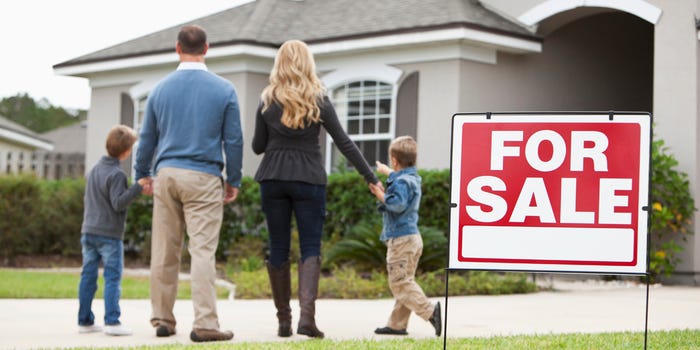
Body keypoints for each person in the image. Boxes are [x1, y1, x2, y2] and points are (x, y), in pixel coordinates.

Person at [252, 39, 381, 339]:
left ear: (279, 64)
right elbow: (343, 141)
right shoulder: (318, 99)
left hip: (272, 177)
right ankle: (306, 319)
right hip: (309, 179)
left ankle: (283, 321)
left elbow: (258, 146)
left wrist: (276, 137)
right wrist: (370, 178)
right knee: (311, 247)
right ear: (308, 63)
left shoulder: (267, 100)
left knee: (278, 246)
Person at [134, 24, 243, 343]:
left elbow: (146, 139)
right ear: (206, 48)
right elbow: (233, 140)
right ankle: (206, 322)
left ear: (178, 49)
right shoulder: (224, 89)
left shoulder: (160, 89)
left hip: (166, 174)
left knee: (165, 250)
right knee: (203, 251)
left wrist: (142, 172)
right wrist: (233, 179)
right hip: (204, 176)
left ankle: (163, 320)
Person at [368, 135, 442, 337]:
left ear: (394, 159)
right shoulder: (412, 177)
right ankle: (397, 325)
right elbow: (400, 179)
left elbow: (396, 204)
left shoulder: (401, 183)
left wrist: (379, 193)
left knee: (399, 283)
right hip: (411, 238)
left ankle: (430, 312)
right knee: (405, 280)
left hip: (401, 239)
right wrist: (388, 172)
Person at [78, 125, 145, 336]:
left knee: (88, 276)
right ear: (126, 152)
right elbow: (118, 203)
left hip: (88, 231)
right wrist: (138, 187)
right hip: (109, 235)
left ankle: (85, 321)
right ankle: (112, 322)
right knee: (112, 277)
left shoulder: (94, 170)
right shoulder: (117, 174)